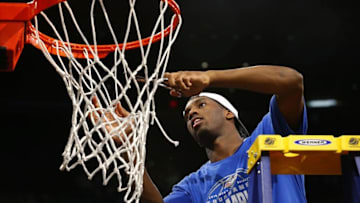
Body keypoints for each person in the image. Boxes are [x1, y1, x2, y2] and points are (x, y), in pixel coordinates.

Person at [94, 65, 307, 202]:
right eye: (186, 114)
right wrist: (128, 149)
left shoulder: (268, 138)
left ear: (228, 113)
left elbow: (291, 81)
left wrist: (209, 77)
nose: (192, 112)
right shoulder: (193, 185)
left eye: (201, 104)